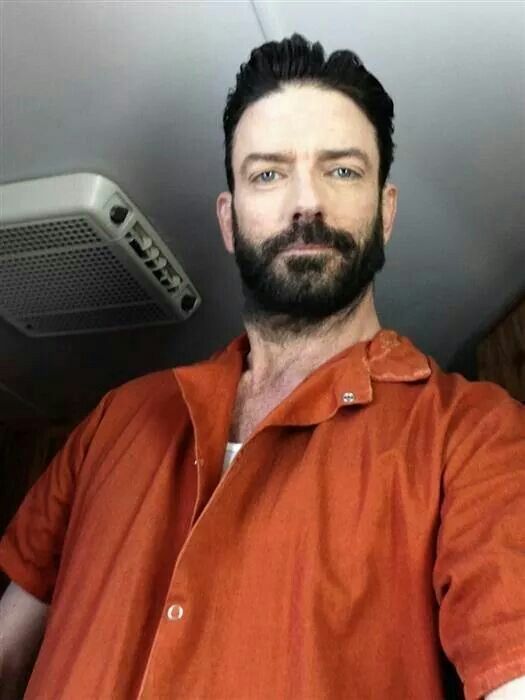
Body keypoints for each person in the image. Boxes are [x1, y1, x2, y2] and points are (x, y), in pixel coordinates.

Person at [0, 33, 524, 700]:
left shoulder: (474, 437)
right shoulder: (113, 419)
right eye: (267, 173)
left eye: (341, 170)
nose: (305, 203)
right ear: (228, 218)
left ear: (385, 212)